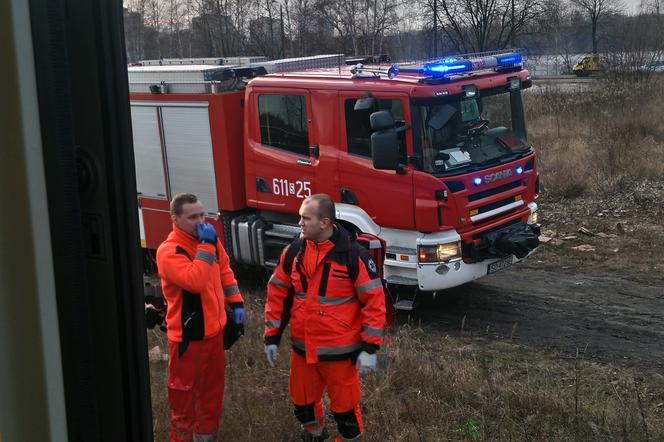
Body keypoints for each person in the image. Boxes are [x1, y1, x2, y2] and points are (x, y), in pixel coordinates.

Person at [264, 194, 386, 441]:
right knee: (304, 407)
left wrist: (370, 349)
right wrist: (272, 336)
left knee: (346, 416)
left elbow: (374, 304)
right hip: (303, 350)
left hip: (340, 355)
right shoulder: (294, 252)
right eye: (300, 217)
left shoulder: (354, 256)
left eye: (305, 218)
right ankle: (315, 436)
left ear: (325, 222)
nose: (300, 223)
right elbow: (277, 294)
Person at [156, 193, 245, 442]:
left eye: (203, 215)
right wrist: (206, 246)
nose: (201, 221)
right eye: (193, 217)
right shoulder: (169, 251)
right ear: (175, 219)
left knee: (211, 397)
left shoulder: (210, 242)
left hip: (214, 336)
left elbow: (225, 271)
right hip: (188, 339)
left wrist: (236, 302)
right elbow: (195, 281)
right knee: (184, 403)